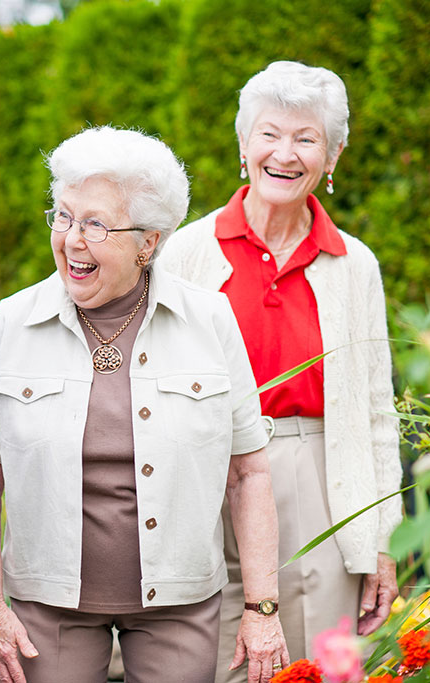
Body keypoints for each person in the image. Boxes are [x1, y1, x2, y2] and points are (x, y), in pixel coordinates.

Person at [0, 126, 290, 683]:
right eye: (63, 217)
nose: (72, 240)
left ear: (149, 242)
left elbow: (248, 474)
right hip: (49, 606)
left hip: (180, 601)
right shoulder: (14, 321)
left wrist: (261, 608)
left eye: (95, 224)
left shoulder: (208, 319)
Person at [161, 60, 403, 681]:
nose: (285, 153)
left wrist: (382, 540)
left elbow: (378, 409)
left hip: (317, 477)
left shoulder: (354, 264)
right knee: (210, 659)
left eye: (307, 138)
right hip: (206, 471)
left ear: (334, 155)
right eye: (270, 133)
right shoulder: (186, 251)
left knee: (319, 663)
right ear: (244, 145)